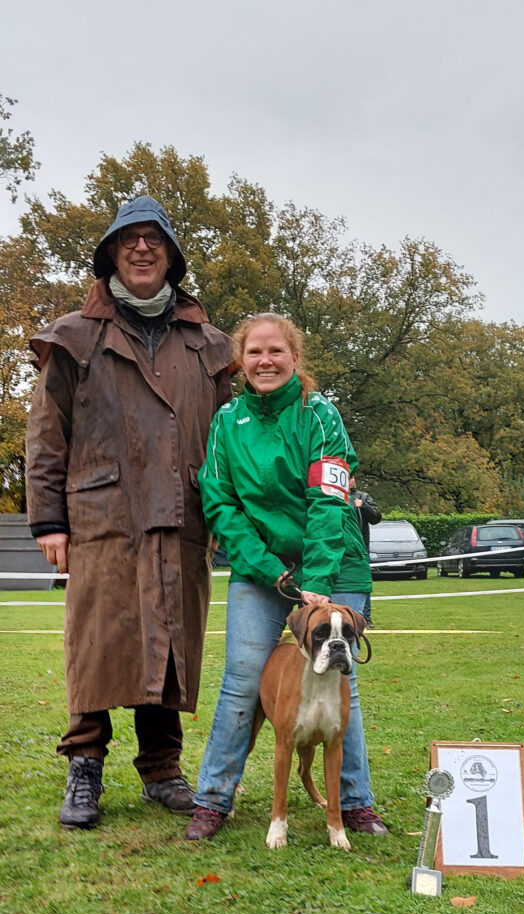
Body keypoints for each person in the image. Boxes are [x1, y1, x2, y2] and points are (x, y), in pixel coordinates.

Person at [25, 196, 234, 829]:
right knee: (95, 646)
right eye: (129, 240)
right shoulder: (74, 336)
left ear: (171, 255)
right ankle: (83, 769)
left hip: (181, 514)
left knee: (168, 644)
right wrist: (48, 520)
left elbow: (233, 439)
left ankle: (163, 771)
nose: (142, 248)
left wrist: (234, 516)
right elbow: (46, 434)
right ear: (112, 253)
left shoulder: (211, 345)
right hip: (101, 518)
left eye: (154, 240)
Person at [185, 312, 389, 842]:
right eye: (255, 352)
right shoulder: (228, 423)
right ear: (241, 361)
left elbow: (328, 500)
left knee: (344, 680)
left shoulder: (321, 415)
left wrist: (317, 579)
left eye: (276, 351)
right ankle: (212, 800)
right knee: (240, 682)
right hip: (263, 570)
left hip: (334, 562)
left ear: (294, 358)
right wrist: (270, 570)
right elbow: (220, 500)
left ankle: (355, 803)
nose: (266, 361)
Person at [348, 476, 382, 627]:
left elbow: (376, 517)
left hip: (360, 548)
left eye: (352, 477)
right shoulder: (331, 495)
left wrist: (364, 506)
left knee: (363, 582)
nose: (350, 481)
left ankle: (366, 617)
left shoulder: (363, 496)